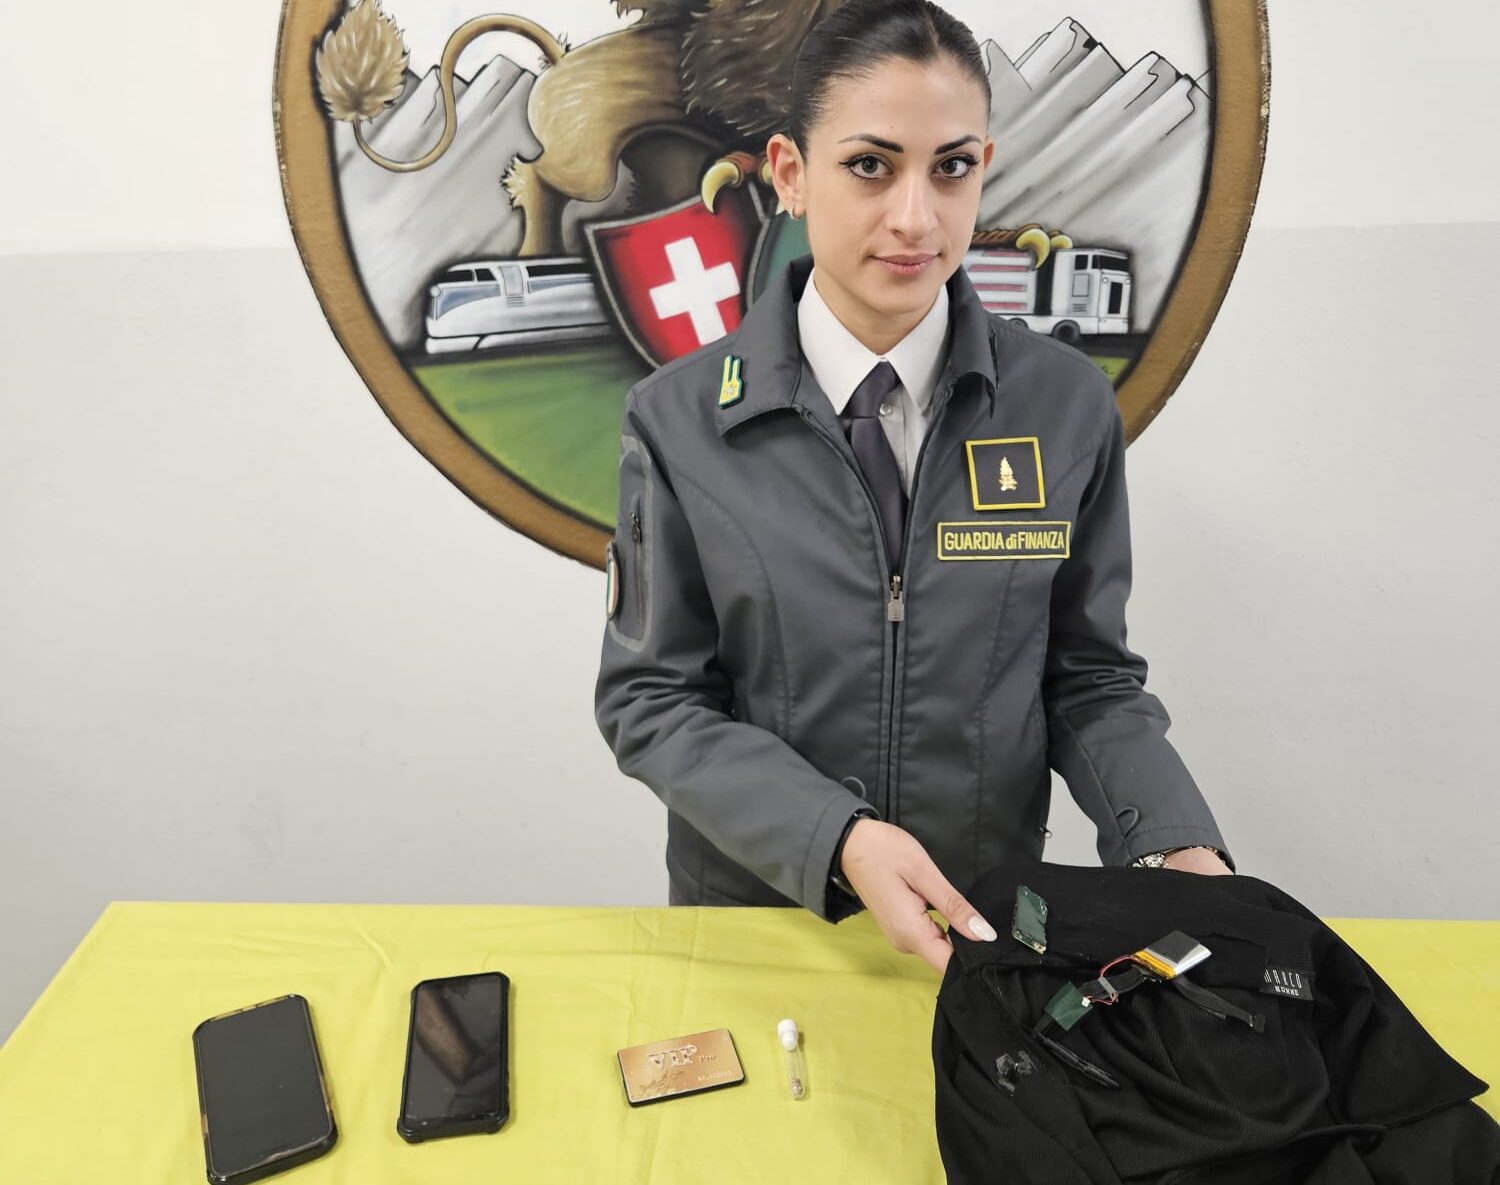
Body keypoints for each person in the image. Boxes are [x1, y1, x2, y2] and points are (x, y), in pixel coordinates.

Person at [594, 0, 1232, 975]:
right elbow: (653, 699)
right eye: (870, 165)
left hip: (984, 931)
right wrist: (838, 839)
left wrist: (1170, 841)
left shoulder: (1065, 406)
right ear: (790, 174)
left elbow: (1087, 678)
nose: (916, 218)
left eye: (952, 167)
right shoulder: (678, 421)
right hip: (761, 929)